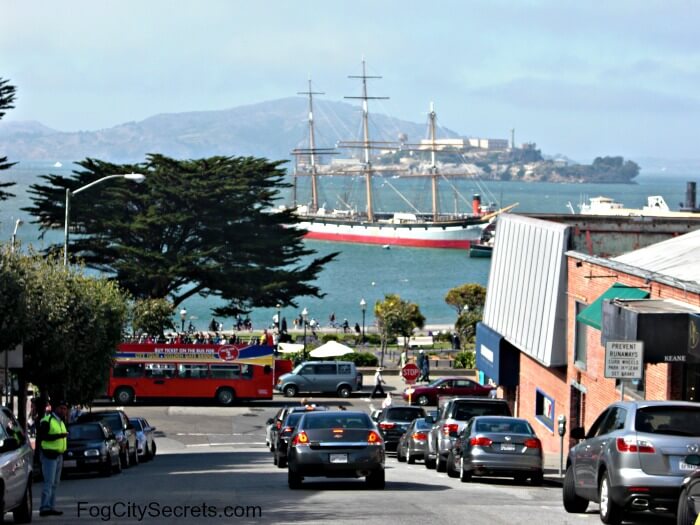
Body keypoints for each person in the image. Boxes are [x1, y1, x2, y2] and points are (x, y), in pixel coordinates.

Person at [38, 400, 69, 517]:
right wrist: (60, 436)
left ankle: (51, 507)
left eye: (65, 408)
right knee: (49, 482)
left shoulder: (60, 422)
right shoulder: (47, 420)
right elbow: (42, 437)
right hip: (49, 455)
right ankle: (44, 507)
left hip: (59, 455)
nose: (63, 410)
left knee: (55, 483)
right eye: (61, 408)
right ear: (55, 408)